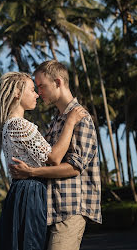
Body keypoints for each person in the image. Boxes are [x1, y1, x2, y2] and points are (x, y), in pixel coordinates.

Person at [9, 60, 102, 250]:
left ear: (58, 82)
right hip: (51, 210)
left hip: (70, 208)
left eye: (42, 86)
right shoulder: (58, 121)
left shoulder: (80, 118)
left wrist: (32, 173)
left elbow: (74, 168)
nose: (39, 92)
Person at [0, 71, 87, 250]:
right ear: (17, 93)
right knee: (30, 242)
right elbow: (55, 158)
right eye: (32, 90)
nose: (37, 95)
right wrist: (70, 122)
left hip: (21, 190)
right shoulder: (20, 125)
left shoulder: (9, 125)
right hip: (30, 191)